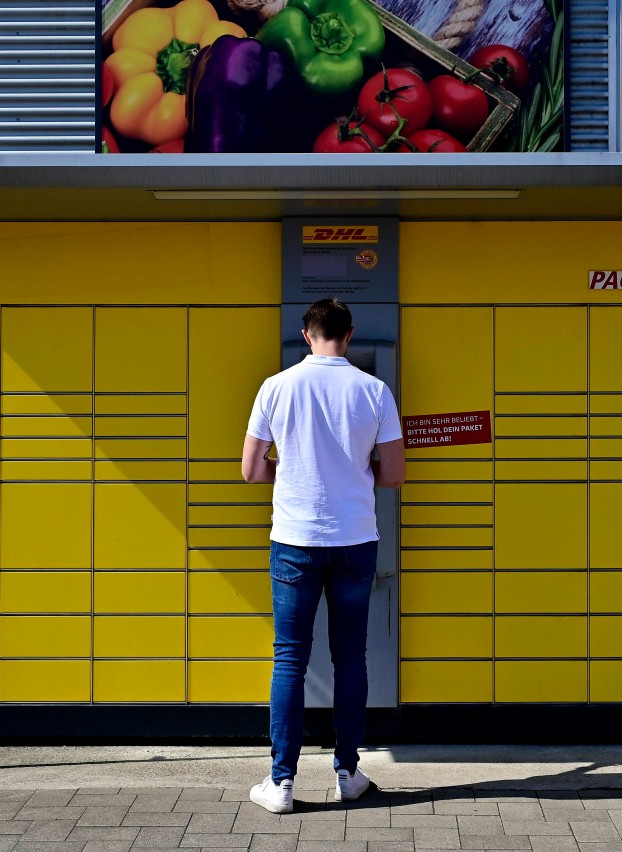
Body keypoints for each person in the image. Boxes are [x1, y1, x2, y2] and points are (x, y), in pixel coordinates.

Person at [241, 298, 406, 814]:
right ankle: (348, 774)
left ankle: (282, 783)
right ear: (349, 334)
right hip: (354, 539)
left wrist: (290, 474)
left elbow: (250, 469)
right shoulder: (374, 389)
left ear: (307, 334)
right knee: (349, 657)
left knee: (289, 655)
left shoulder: (276, 386)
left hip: (294, 539)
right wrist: (355, 476)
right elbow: (394, 472)